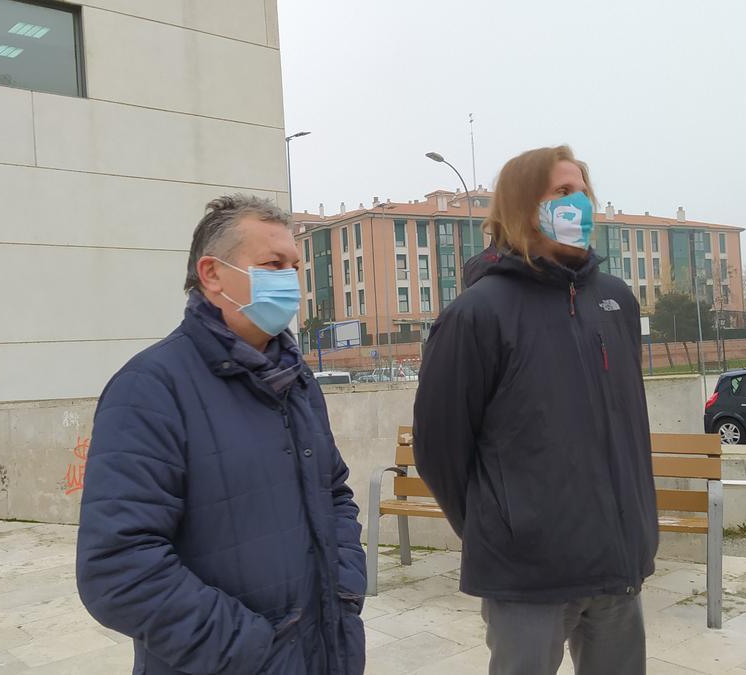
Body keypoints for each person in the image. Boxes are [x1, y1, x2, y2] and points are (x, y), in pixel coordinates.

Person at [76, 195, 367, 675]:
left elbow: (334, 492)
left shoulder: (296, 379)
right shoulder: (150, 389)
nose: (290, 279)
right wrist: (256, 652)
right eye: (273, 264)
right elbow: (118, 567)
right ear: (212, 275)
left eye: (294, 266)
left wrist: (346, 588)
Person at [413, 146, 658, 675]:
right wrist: (505, 528)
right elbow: (439, 450)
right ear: (524, 207)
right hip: (529, 580)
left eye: (584, 192)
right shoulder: (476, 314)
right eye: (563, 192)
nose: (581, 204)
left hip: (617, 566)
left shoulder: (615, 299)